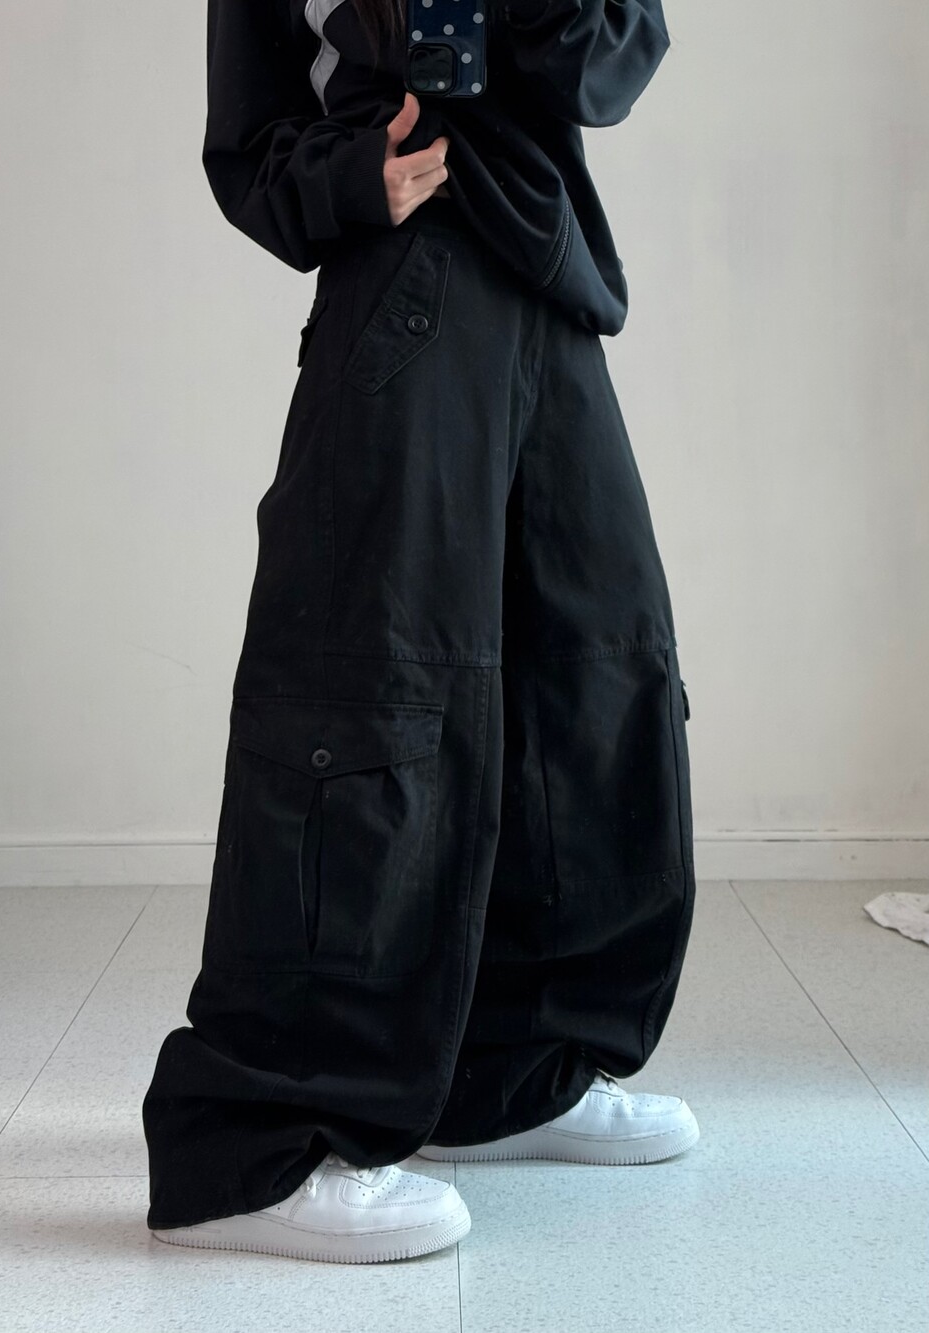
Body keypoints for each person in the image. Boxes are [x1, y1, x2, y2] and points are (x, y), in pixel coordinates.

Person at [141, 0, 699, 1265]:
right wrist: (353, 179)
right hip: (405, 281)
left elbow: (615, 60)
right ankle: (257, 1141)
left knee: (593, 672)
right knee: (367, 692)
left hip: (549, 280)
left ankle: (508, 1075)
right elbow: (249, 141)